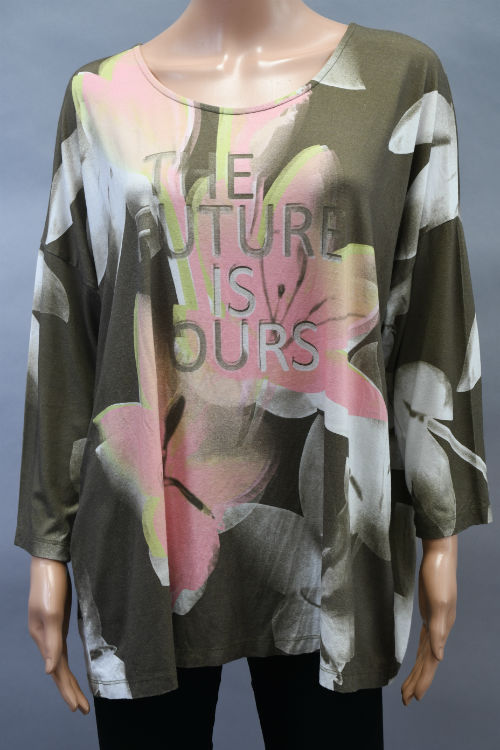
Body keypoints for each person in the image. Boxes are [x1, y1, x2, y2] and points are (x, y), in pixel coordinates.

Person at [14, 2, 493, 748]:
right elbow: (67, 331)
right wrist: (48, 544)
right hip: (149, 528)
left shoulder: (401, 79)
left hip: (332, 537)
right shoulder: (98, 97)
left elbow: (432, 305)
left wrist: (442, 528)